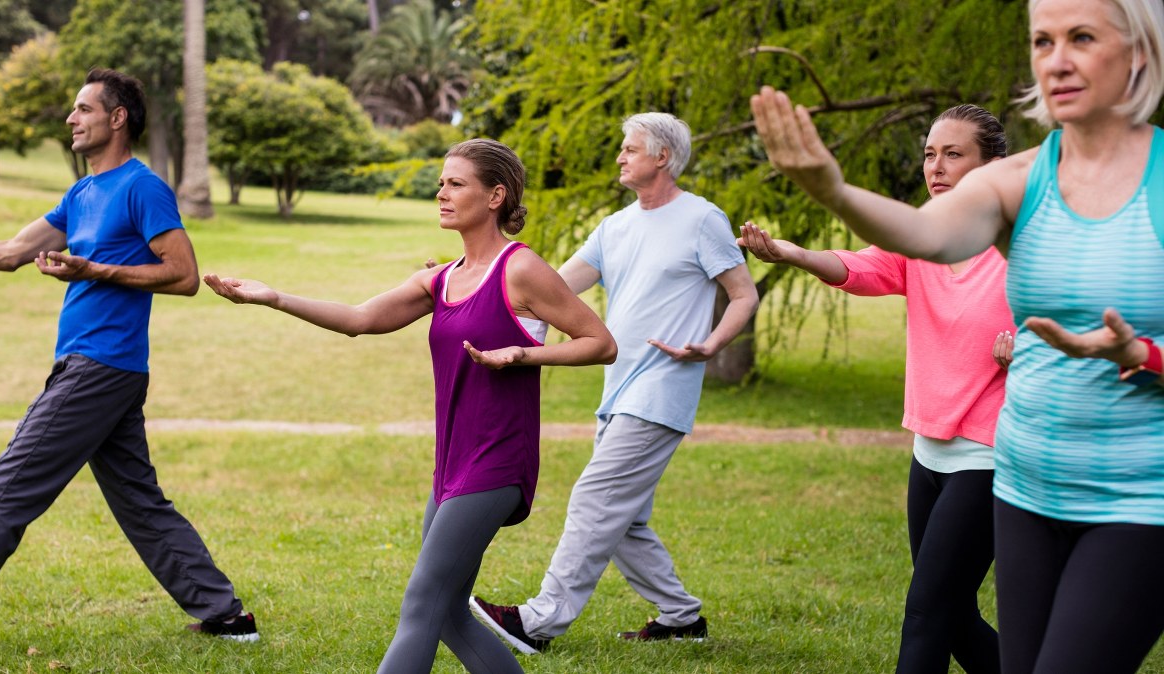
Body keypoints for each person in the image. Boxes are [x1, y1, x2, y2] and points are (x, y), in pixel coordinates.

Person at [750, 0, 1164, 671]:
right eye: (1042, 40)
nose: (1056, 58)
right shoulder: (1018, 179)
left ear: (1140, 51)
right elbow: (923, 237)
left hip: (1139, 495)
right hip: (1026, 486)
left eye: (1081, 37)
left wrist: (1141, 354)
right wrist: (833, 190)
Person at [205, 138, 617, 674]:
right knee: (447, 612)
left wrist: (524, 352)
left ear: (495, 196)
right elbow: (359, 318)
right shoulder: (440, 278)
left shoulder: (521, 270)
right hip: (450, 465)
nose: (441, 193)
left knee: (422, 603)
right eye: (441, 183)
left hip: (497, 461)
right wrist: (274, 297)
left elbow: (600, 342)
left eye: (455, 183)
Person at [0, 68, 257, 647]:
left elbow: (183, 275)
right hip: (97, 368)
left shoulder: (141, 187)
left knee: (4, 490)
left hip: (100, 367)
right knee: (140, 501)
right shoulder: (81, 194)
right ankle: (228, 617)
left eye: (84, 109)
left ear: (117, 118)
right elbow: (8, 253)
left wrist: (95, 269)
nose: (71, 118)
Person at [739, 103, 1013, 674]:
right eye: (929, 155)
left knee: (926, 612)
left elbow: (1079, 318)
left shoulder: (1022, 249)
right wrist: (791, 253)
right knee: (951, 611)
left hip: (991, 455)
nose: (935, 167)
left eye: (953, 154)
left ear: (992, 167)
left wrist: (1032, 344)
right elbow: (860, 268)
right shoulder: (924, 239)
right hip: (928, 450)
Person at [470, 112, 760, 653]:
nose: (621, 157)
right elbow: (548, 289)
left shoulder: (702, 219)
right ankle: (680, 618)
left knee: (596, 499)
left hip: (663, 388)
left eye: (631, 149)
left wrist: (713, 343)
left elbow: (744, 293)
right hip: (618, 388)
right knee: (623, 518)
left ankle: (538, 621)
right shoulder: (616, 227)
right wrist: (463, 282)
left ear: (663, 157)